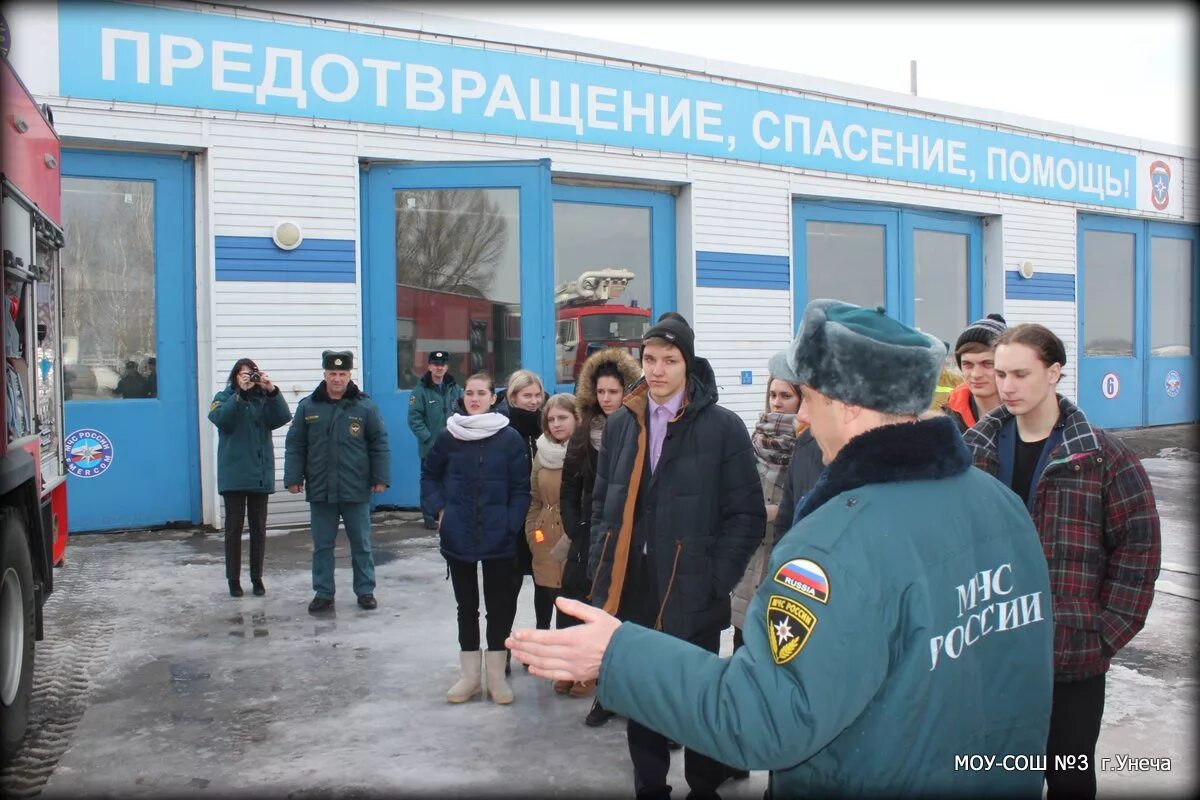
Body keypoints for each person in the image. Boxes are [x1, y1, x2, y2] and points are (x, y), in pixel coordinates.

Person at [510, 299, 1055, 799]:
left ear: (845, 405)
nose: (802, 418)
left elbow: (768, 718)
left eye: (810, 400)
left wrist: (618, 655)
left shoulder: (835, 544)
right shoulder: (1001, 505)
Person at [962, 323, 1161, 799]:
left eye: (1020, 374)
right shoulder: (971, 452)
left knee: (1070, 776)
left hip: (1071, 657)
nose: (1006, 386)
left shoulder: (1104, 458)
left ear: (1054, 373)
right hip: (988, 650)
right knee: (990, 775)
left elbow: (1138, 553)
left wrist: (1101, 633)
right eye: (1001, 373)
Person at [586, 312, 764, 800]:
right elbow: (603, 503)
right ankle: (650, 787)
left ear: (689, 364)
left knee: (697, 697)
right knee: (640, 693)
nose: (658, 370)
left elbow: (746, 517)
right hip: (633, 584)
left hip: (692, 587)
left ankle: (703, 787)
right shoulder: (624, 423)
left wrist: (714, 578)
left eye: (670, 359)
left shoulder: (723, 428)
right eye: (650, 359)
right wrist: (600, 565)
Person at [421, 372, 531, 705]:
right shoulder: (448, 436)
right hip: (459, 534)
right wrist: (440, 510)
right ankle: (469, 677)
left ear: (492, 398)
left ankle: (496, 678)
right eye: (469, 393)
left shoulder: (509, 438)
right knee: (466, 607)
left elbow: (521, 488)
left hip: (499, 537)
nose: (474, 398)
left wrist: (510, 524)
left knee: (498, 608)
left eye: (481, 393)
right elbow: (430, 475)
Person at [558, 346, 641, 712]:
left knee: (609, 600)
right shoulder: (583, 432)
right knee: (573, 594)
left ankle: (598, 673)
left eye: (614, 391)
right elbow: (569, 484)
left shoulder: (635, 429)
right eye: (602, 391)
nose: (607, 399)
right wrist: (575, 525)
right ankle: (568, 664)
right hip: (586, 528)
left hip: (621, 529)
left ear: (626, 391)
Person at [284, 350, 390, 613]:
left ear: (349, 375)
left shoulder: (365, 407)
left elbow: (379, 444)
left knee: (361, 544)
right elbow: (296, 445)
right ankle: (323, 592)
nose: (337, 379)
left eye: (342, 374)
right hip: (321, 489)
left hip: (356, 488)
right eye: (332, 373)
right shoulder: (308, 406)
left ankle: (365, 591)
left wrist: (380, 478)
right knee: (322, 545)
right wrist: (293, 478)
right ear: (324, 374)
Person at [729, 366, 823, 652]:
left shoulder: (812, 445)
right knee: (742, 644)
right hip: (750, 560)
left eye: (786, 395)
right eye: (772, 394)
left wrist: (776, 511)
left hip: (785, 559)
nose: (777, 402)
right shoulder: (755, 441)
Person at [208, 358, 292, 597]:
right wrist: (240, 396)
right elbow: (222, 420)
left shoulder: (263, 400)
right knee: (234, 529)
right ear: (235, 377)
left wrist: (272, 391)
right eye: (243, 374)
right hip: (234, 474)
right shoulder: (224, 398)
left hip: (259, 474)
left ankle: (257, 577)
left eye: (251, 374)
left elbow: (283, 417)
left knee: (258, 529)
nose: (248, 378)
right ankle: (233, 580)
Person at [496, 368, 546, 671]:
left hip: (541, 524)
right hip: (512, 522)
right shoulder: (501, 429)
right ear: (512, 397)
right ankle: (501, 649)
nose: (533, 401)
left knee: (544, 583)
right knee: (508, 587)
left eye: (537, 395)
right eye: (527, 395)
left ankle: (540, 647)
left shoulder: (549, 425)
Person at [525, 394, 578, 633]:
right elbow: (535, 498)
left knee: (572, 600)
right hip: (544, 536)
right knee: (545, 591)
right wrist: (533, 533)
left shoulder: (588, 448)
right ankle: (542, 641)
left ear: (577, 418)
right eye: (551, 419)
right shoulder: (542, 451)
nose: (556, 424)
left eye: (563, 417)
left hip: (575, 534)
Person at [408, 350, 463, 530]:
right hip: (430, 448)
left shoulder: (455, 389)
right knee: (430, 481)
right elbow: (414, 419)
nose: (439, 368)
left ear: (447, 367)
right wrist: (430, 439)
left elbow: (464, 412)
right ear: (429, 366)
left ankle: (449, 513)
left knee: (452, 479)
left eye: (442, 365)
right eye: (435, 364)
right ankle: (430, 516)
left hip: (454, 444)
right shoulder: (420, 391)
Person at [944, 314, 1007, 432]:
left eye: (987, 364)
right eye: (968, 364)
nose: (976, 374)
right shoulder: (947, 421)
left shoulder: (1028, 417)